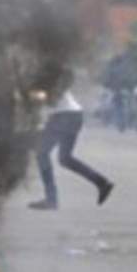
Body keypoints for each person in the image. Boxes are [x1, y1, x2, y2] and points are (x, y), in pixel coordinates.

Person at [29, 66, 114, 210]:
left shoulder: (47, 81)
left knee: (42, 153)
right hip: (73, 115)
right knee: (65, 158)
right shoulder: (46, 80)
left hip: (64, 116)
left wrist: (32, 96)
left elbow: (48, 98)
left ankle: (51, 199)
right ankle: (102, 183)